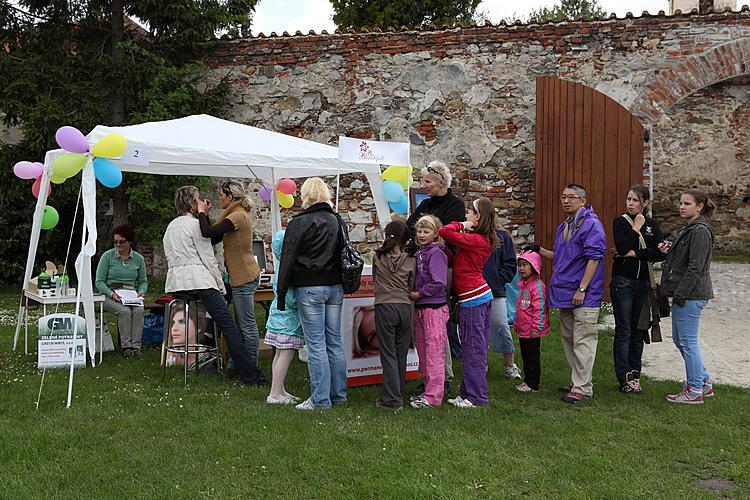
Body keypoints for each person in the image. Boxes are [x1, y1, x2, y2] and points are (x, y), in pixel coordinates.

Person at [163, 185, 264, 386]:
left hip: (177, 284)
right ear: (193, 204)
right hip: (200, 281)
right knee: (229, 326)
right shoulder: (194, 226)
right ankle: (251, 376)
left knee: (216, 318)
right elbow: (208, 258)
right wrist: (220, 284)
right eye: (199, 199)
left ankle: (210, 353)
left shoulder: (171, 227)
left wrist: (204, 215)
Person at [277, 177, 346, 410]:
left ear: (306, 195)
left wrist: (281, 290)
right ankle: (337, 395)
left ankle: (320, 399)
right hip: (335, 285)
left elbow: (287, 257)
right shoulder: (337, 220)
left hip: (309, 286)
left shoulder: (301, 222)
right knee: (334, 342)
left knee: (316, 344)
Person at [535, 184, 606, 404]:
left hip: (583, 294)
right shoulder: (564, 226)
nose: (566, 201)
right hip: (565, 292)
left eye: (571, 197)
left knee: (583, 339)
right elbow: (562, 256)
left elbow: (594, 258)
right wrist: (538, 251)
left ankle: (583, 387)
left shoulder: (591, 225)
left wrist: (582, 289)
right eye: (563, 196)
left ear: (583, 200)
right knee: (569, 339)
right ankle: (577, 380)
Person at [197, 179, 266, 383]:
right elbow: (214, 237)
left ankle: (250, 369)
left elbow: (207, 233)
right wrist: (206, 216)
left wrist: (201, 212)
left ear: (230, 196)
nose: (219, 198)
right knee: (239, 324)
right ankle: (237, 366)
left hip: (244, 276)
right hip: (239, 276)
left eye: (221, 195)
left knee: (247, 326)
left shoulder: (237, 216)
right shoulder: (233, 215)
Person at [406, 160, 465, 393]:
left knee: (437, 327)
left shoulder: (455, 205)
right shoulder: (426, 204)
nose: (424, 186)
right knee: (423, 328)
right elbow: (412, 226)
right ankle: (430, 374)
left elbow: (449, 234)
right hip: (422, 265)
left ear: (441, 182)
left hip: (442, 266)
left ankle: (445, 375)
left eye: (427, 182)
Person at [438, 197, 498, 408]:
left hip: (473, 298)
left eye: (470, 212)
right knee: (473, 347)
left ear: (478, 216)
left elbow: (444, 232)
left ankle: (476, 397)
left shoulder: (477, 240)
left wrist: (462, 226)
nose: (466, 215)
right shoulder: (480, 238)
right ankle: (467, 393)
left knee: (473, 349)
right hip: (476, 296)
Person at [660, 189, 716, 404]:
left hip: (691, 294)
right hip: (686, 293)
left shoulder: (700, 230)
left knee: (688, 342)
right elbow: (686, 259)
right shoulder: (690, 228)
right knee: (680, 340)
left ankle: (694, 390)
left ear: (699, 206)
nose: (681, 207)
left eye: (687, 203)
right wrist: (671, 249)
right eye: (680, 202)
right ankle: (704, 382)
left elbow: (695, 267)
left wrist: (680, 294)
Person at [611, 184, 665, 394]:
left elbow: (659, 253)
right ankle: (624, 376)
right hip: (623, 282)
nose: (630, 203)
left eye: (635, 200)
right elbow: (622, 247)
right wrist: (635, 228)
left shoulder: (653, 225)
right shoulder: (620, 222)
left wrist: (636, 254)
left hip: (643, 283)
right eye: (628, 199)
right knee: (624, 329)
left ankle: (635, 374)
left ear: (645, 203)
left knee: (638, 329)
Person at [372, 221, 416, 411]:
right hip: (404, 307)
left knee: (388, 354)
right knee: (400, 353)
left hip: (384, 306)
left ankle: (392, 399)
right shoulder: (411, 258)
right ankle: (398, 393)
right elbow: (412, 284)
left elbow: (375, 280)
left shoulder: (378, 257)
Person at [409, 215, 450, 409]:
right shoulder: (420, 253)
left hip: (433, 307)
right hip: (420, 307)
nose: (422, 235)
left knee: (434, 353)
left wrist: (420, 293)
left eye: (426, 231)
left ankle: (434, 396)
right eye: (419, 231)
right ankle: (426, 389)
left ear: (435, 234)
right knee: (423, 351)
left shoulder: (436, 253)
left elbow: (439, 281)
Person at [95, 224, 148, 359]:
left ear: (129, 242)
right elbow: (99, 282)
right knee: (124, 311)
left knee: (138, 311)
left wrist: (141, 291)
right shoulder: (107, 257)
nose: (118, 244)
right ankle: (126, 347)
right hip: (110, 294)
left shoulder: (139, 259)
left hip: (131, 294)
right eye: (115, 241)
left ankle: (136, 346)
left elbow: (143, 281)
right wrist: (111, 294)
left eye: (122, 241)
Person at [264, 230, 304, 405]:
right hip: (287, 318)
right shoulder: (289, 268)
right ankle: (274, 394)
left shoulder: (281, 264)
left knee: (280, 353)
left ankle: (279, 389)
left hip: (279, 315)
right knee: (286, 354)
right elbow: (289, 297)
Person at [482, 217, 520, 380]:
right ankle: (480, 365)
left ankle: (510, 365)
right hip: (473, 290)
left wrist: (497, 279)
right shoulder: (470, 234)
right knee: (478, 329)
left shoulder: (502, 237)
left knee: (500, 325)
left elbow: (510, 264)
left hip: (495, 290)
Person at [513, 250, 549, 393]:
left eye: (525, 265)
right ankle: (527, 380)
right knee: (525, 356)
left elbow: (539, 309)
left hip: (532, 331)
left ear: (534, 266)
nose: (521, 268)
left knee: (532, 358)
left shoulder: (538, 286)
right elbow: (520, 307)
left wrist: (537, 328)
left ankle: (533, 384)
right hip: (523, 330)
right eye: (520, 265)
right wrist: (517, 324)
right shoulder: (523, 285)